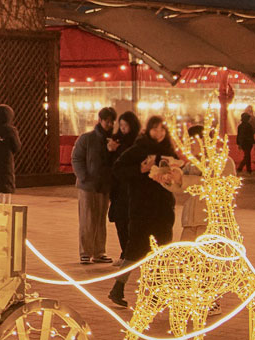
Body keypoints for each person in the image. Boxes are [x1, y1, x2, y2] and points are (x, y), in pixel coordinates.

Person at [108, 116, 178, 308]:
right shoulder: (138, 149)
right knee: (135, 249)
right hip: (141, 206)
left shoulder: (168, 151)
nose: (159, 133)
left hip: (163, 208)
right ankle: (118, 288)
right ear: (148, 130)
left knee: (162, 250)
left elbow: (177, 176)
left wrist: (173, 175)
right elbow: (118, 169)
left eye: (162, 129)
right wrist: (140, 169)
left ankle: (156, 294)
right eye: (155, 129)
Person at [175, 125, 235, 241]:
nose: (188, 146)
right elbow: (180, 186)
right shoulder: (192, 164)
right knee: (185, 252)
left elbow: (211, 185)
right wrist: (168, 179)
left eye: (191, 142)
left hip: (212, 221)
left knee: (207, 252)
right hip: (191, 222)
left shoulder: (223, 161)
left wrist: (182, 179)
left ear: (204, 141)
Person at [72, 107, 115, 264]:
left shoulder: (113, 141)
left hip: (104, 186)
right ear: (100, 120)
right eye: (107, 121)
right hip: (88, 186)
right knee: (87, 219)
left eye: (111, 121)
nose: (109, 124)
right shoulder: (87, 138)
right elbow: (76, 158)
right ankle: (85, 252)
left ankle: (99, 252)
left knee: (100, 219)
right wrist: (83, 177)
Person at [107, 111, 141, 263]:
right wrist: (110, 150)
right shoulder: (115, 140)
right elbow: (110, 163)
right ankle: (125, 252)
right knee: (120, 220)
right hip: (118, 187)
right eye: (121, 125)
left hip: (133, 188)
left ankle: (130, 254)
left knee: (131, 221)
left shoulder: (138, 142)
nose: (123, 128)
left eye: (126, 125)